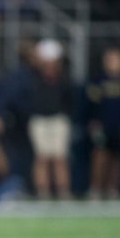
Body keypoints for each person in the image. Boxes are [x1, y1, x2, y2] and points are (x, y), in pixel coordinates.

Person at [85, 47, 120, 201]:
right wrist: (93, 122)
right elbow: (92, 105)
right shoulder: (98, 80)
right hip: (103, 125)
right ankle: (96, 188)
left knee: (117, 158)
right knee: (99, 155)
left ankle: (112, 189)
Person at [26, 38, 73, 200]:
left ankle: (63, 192)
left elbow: (68, 99)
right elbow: (29, 56)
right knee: (42, 157)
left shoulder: (62, 77)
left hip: (58, 119)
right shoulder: (34, 75)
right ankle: (42, 192)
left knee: (59, 157)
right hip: (39, 120)